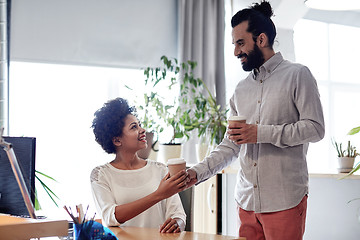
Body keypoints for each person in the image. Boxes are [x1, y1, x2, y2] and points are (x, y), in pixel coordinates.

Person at [186, 1, 325, 239]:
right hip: (246, 203)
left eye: (240, 43)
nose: (235, 52)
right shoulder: (240, 90)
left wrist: (260, 133)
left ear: (261, 40)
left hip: (284, 201)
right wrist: (197, 173)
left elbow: (315, 128)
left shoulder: (298, 75)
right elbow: (231, 144)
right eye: (234, 44)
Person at [90, 97, 187, 233]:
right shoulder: (101, 175)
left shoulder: (160, 169)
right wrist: (158, 195)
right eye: (134, 127)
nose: (142, 130)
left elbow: (178, 214)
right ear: (117, 140)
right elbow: (111, 217)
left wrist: (177, 223)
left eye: (139, 125)